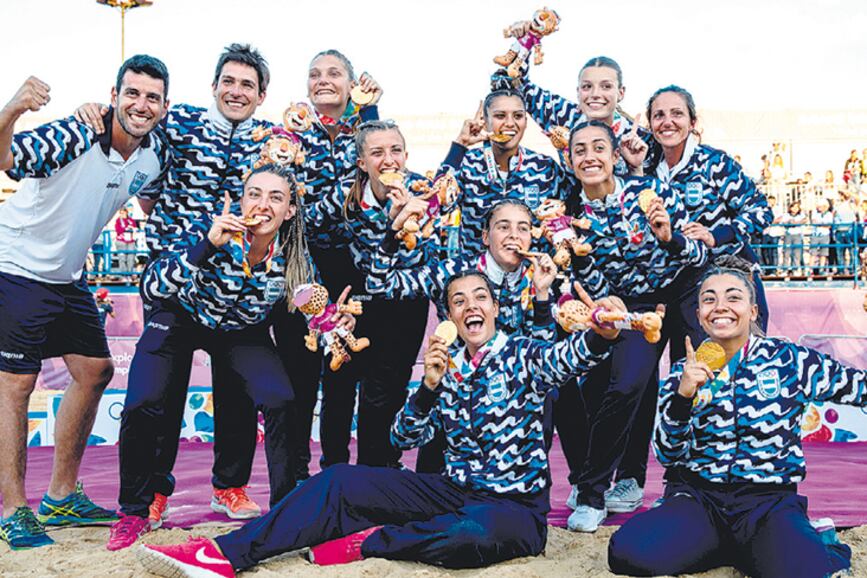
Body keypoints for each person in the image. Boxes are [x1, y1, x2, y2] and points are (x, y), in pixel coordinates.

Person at [135, 270, 624, 577]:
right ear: (449, 315)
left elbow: (571, 357)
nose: (471, 306)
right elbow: (402, 439)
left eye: (481, 297)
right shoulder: (446, 366)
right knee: (339, 481)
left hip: (513, 508)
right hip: (450, 490)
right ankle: (225, 554)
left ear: (495, 308)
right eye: (459, 300)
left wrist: (600, 335)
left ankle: (369, 541)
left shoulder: (525, 355)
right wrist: (428, 388)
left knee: (473, 532)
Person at [77, 43, 278, 522]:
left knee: (237, 391)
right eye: (228, 82)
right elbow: (135, 135)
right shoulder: (180, 122)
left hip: (236, 295)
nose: (236, 91)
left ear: (261, 95)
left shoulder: (273, 141)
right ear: (213, 86)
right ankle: (153, 491)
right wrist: (95, 112)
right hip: (175, 287)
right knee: (158, 395)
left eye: (247, 85)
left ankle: (229, 486)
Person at [107, 165, 353, 551]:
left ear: (290, 210)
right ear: (242, 199)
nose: (263, 204)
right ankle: (135, 510)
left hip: (240, 329)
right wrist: (206, 245)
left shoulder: (295, 255)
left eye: (276, 197)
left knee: (280, 398)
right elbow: (151, 287)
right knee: (144, 399)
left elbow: (313, 305)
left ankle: (283, 513)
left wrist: (334, 320)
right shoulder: (209, 226)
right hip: (179, 315)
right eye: (254, 194)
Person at [0, 55, 169, 550]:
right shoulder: (75, 134)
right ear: (114, 96)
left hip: (68, 276)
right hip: (16, 265)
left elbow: (153, 197)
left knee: (96, 370)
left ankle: (60, 497)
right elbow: (5, 160)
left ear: (164, 107)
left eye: (153, 97)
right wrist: (12, 109)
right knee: (15, 385)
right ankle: (13, 510)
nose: (141, 105)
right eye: (132, 93)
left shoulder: (154, 154)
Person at [607, 256, 861, 577]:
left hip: (768, 503)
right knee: (625, 553)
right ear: (699, 315)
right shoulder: (684, 369)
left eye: (733, 297)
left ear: (752, 311)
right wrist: (683, 398)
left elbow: (858, 387)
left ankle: (818, 542)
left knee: (808, 570)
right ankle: (725, 546)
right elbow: (668, 454)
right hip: (700, 501)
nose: (720, 307)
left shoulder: (789, 360)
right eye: (709, 299)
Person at [562, 120, 708, 532]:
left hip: (684, 293)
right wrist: (584, 267)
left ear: (614, 156)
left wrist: (669, 238)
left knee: (697, 382)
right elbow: (594, 289)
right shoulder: (571, 219)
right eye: (579, 150)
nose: (589, 157)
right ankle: (591, 493)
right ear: (570, 161)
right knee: (625, 385)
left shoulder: (653, 194)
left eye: (598, 148)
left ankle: (689, 490)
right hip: (632, 306)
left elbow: (699, 256)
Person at [368, 199, 559, 473]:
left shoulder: (539, 276)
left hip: (511, 401)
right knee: (432, 483)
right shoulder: (454, 273)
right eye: (503, 227)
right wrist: (392, 234)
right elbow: (379, 285)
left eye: (523, 228)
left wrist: (542, 294)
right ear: (485, 236)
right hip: (455, 398)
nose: (514, 236)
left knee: (548, 393)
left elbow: (545, 358)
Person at [271, 49, 382, 483]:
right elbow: (290, 208)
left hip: (353, 271)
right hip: (301, 269)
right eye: (314, 73)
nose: (323, 80)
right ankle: (295, 474)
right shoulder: (291, 135)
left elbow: (380, 171)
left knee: (343, 373)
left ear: (351, 84)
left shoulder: (365, 128)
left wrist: (369, 108)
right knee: (298, 374)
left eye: (334, 73)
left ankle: (335, 469)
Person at [303, 119, 430, 469]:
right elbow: (308, 225)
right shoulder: (346, 195)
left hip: (406, 301)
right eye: (377, 153)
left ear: (406, 156)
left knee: (388, 387)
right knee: (339, 382)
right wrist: (325, 287)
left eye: (395, 150)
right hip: (359, 297)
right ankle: (334, 468)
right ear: (361, 162)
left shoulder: (424, 193)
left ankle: (379, 468)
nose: (388, 160)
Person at [436, 89, 566, 256]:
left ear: (525, 122)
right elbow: (436, 204)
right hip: (478, 269)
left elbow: (574, 207)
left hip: (532, 270)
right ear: (485, 122)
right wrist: (460, 144)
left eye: (518, 116)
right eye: (500, 116)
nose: (510, 123)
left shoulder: (545, 167)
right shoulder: (467, 163)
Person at [114, 206, 138, 277]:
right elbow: (118, 230)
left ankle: (129, 274)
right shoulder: (118, 220)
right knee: (122, 258)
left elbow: (135, 228)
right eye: (121, 213)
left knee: (131, 258)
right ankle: (124, 274)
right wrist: (125, 228)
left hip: (130, 241)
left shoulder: (131, 220)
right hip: (121, 241)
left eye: (123, 213)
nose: (122, 214)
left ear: (126, 212)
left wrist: (131, 228)